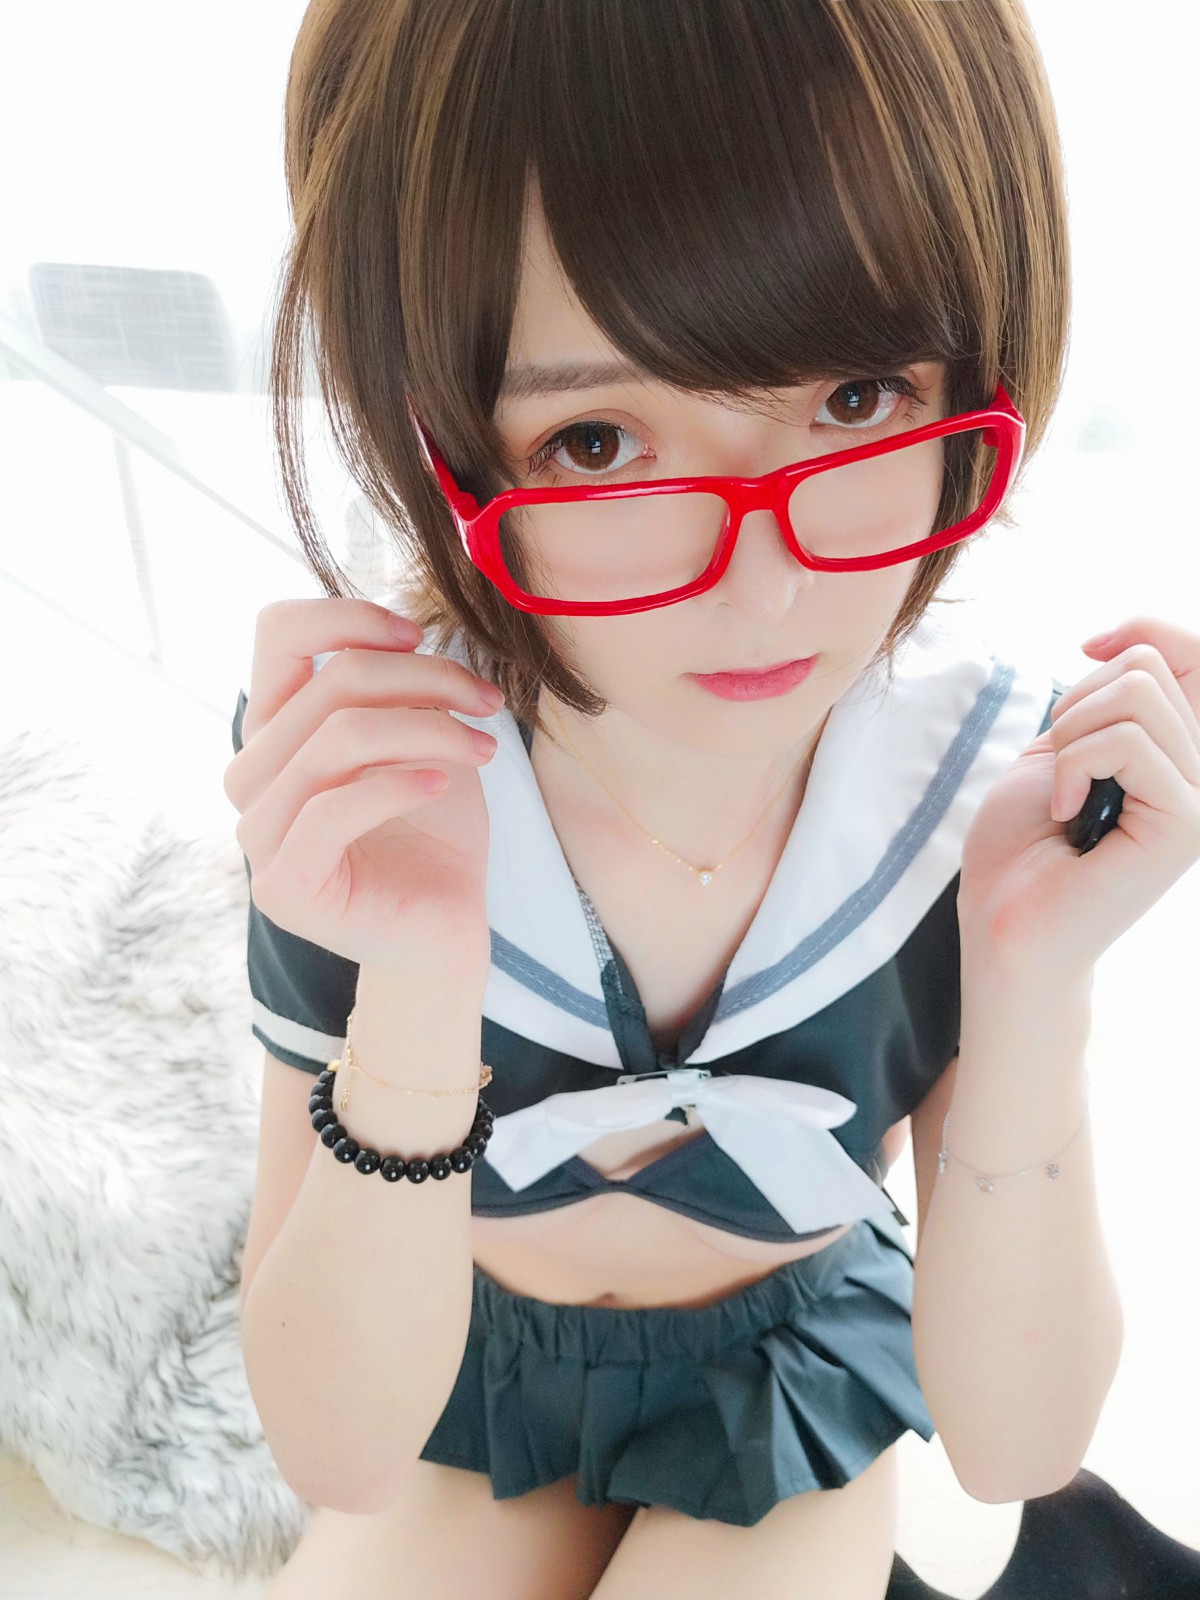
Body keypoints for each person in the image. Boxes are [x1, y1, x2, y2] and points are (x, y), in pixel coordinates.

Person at [223, 2, 1200, 1596]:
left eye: (861, 397)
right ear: (440, 437)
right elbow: (335, 1446)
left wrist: (1036, 981)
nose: (760, 590)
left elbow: (1015, 1448)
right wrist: (415, 984)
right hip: (462, 1358)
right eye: (599, 439)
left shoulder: (972, 789)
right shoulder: (376, 769)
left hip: (781, 1374)